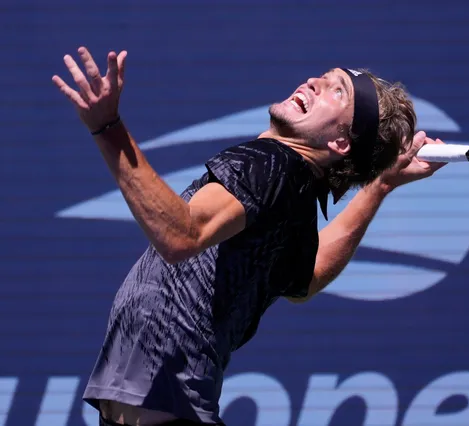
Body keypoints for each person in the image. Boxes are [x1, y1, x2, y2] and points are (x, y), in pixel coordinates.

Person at [51, 46, 446, 426]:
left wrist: (108, 129)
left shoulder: (270, 163)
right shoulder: (294, 194)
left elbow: (180, 236)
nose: (313, 83)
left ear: (340, 142)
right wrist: (379, 186)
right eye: (322, 78)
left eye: (336, 90)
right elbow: (306, 279)